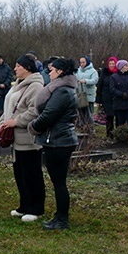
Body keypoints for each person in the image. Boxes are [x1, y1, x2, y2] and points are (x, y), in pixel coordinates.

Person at [28, 57, 79, 230]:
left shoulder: (62, 91)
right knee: (58, 181)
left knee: (59, 182)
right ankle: (59, 216)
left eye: (52, 70)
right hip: (58, 139)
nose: (49, 72)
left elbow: (49, 115)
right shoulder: (63, 89)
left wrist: (33, 127)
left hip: (59, 141)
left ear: (60, 72)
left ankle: (62, 220)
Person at [0, 54, 45, 222]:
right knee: (20, 174)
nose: (15, 69)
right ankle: (24, 205)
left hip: (28, 138)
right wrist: (3, 121)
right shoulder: (19, 84)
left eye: (18, 66)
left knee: (32, 173)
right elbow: (11, 106)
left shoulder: (36, 86)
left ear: (27, 68)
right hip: (16, 138)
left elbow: (35, 111)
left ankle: (36, 208)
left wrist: (16, 122)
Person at [109, 59, 128, 129]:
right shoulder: (114, 77)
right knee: (120, 121)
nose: (127, 67)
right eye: (125, 66)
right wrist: (121, 94)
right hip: (119, 102)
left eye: (127, 66)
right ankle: (120, 135)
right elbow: (112, 88)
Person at [74, 56, 99, 132]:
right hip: (79, 95)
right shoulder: (78, 71)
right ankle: (82, 127)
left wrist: (86, 81)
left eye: (83, 62)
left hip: (88, 96)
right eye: (80, 62)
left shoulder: (93, 71)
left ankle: (90, 129)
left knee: (88, 113)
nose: (81, 64)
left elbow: (95, 80)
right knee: (80, 113)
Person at [98, 56, 119, 137]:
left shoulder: (118, 73)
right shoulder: (105, 72)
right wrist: (99, 99)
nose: (111, 65)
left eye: (113, 64)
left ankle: (118, 133)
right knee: (109, 117)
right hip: (106, 98)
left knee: (118, 117)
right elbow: (100, 85)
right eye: (110, 64)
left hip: (116, 98)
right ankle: (109, 134)